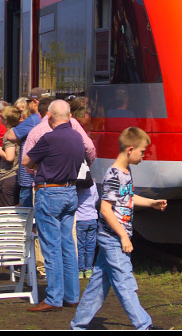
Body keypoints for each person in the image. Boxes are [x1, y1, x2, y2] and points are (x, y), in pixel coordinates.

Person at [70, 126, 168, 330]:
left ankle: (78, 325)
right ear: (130, 150)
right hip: (113, 238)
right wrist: (123, 236)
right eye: (142, 151)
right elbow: (105, 209)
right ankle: (144, 325)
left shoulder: (125, 172)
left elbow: (127, 197)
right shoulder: (114, 175)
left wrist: (151, 203)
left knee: (98, 284)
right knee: (125, 283)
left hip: (113, 236)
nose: (144, 156)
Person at [23, 100, 86, 313]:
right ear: (69, 116)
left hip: (49, 192)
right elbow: (89, 154)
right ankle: (72, 295)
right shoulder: (78, 137)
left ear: (49, 116)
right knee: (68, 245)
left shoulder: (48, 138)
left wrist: (39, 165)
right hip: (71, 192)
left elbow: (25, 162)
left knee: (51, 247)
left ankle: (53, 297)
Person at [69, 97, 98, 279]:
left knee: (79, 245)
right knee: (91, 245)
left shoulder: (76, 188)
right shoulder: (93, 186)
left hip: (79, 220)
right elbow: (95, 200)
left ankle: (80, 270)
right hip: (93, 219)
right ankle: (89, 268)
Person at [7, 92, 45, 207]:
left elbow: (11, 136)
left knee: (26, 214)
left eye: (28, 102)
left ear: (35, 102)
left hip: (28, 177)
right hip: (41, 177)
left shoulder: (34, 119)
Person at [0, 106, 22, 207]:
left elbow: (9, 157)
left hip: (8, 175)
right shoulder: (19, 131)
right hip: (16, 174)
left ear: (5, 120)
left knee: (7, 210)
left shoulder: (9, 134)